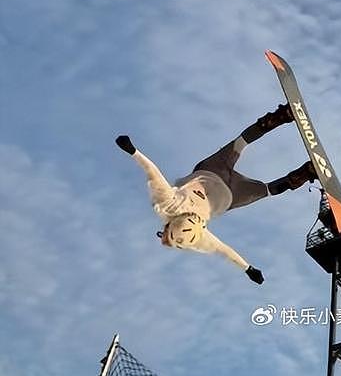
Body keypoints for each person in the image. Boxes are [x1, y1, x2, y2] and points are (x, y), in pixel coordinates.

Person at [115, 103, 315, 283]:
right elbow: (224, 251)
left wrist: (133, 151)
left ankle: (279, 117)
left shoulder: (166, 204)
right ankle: (304, 173)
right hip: (230, 196)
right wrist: (248, 268)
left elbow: (153, 174)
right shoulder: (200, 240)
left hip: (211, 171)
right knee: (267, 191)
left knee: (240, 143)